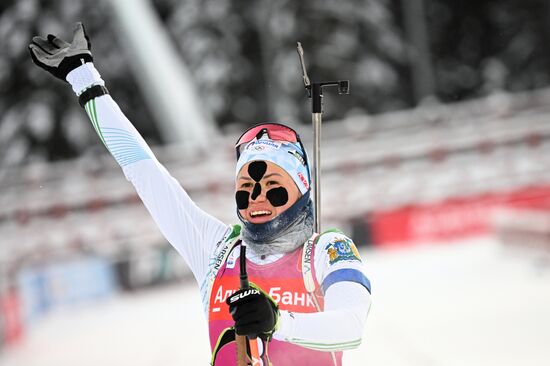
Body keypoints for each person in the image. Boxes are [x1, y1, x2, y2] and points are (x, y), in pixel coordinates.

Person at [28, 23, 372, 366]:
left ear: (300, 189)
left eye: (274, 188)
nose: (258, 199)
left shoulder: (325, 249)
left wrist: (279, 322)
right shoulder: (218, 250)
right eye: (246, 190)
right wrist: (84, 78)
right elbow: (144, 169)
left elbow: (350, 327)